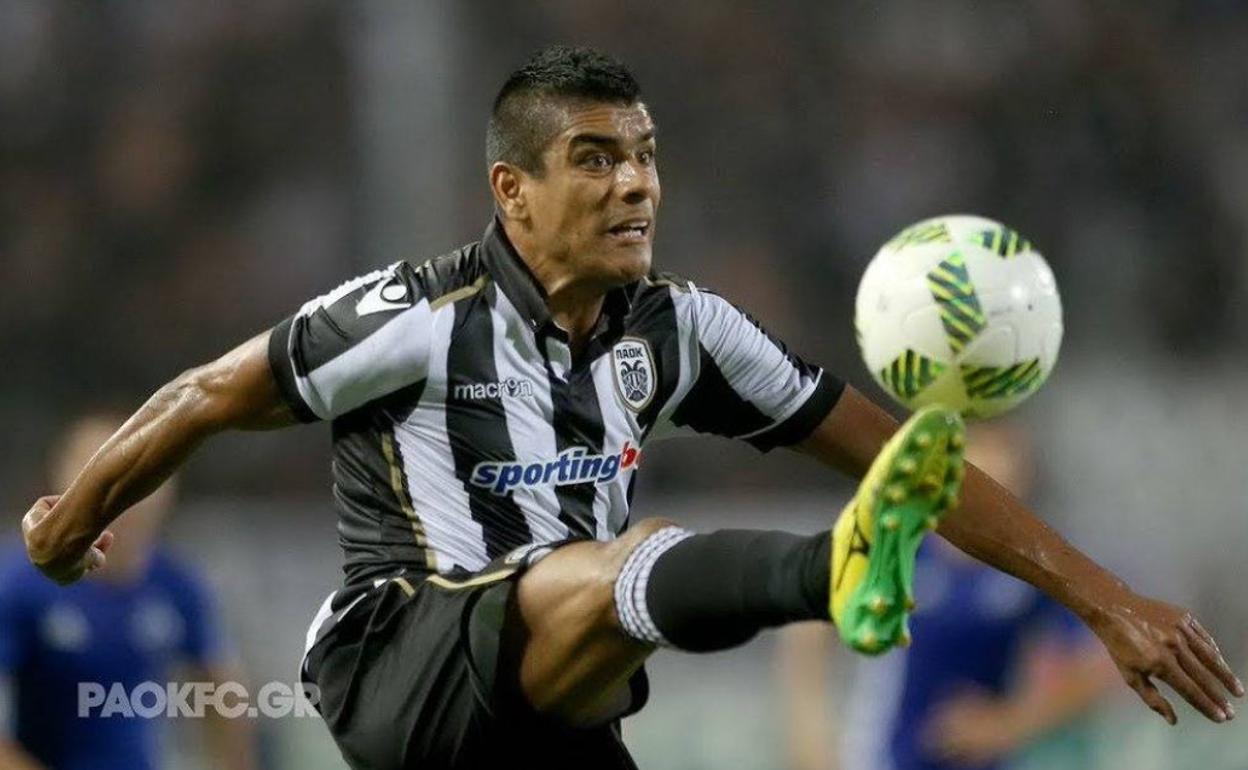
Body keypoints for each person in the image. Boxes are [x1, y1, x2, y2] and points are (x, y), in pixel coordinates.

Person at [19, 45, 1240, 770]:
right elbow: (203, 393)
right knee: (623, 562)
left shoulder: (685, 329)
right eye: (596, 158)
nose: (637, 182)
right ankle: (832, 572)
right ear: (515, 188)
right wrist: (72, 520)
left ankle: (825, 567)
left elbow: (909, 460)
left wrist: (1111, 601)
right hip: (401, 665)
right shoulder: (416, 313)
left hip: (559, 705)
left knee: (611, 579)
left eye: (646, 153)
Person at [779, 421, 1118, 770]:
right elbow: (810, 629)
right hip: (881, 759)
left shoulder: (1032, 572)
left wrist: (1009, 723)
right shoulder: (896, 549)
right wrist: (811, 735)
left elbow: (1098, 664)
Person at [1, 413, 256, 770]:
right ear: (64, 483)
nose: (121, 492)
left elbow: (221, 689)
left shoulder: (176, 583)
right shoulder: (17, 584)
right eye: (101, 475)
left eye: (138, 470)